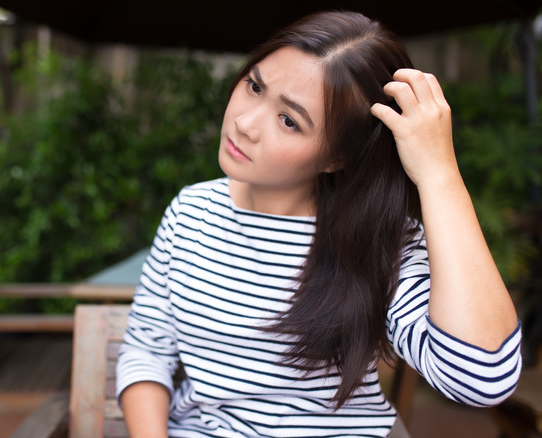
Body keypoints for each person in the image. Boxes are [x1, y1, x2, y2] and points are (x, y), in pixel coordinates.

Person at [115, 10, 522, 438]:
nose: (245, 123)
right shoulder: (190, 212)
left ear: (336, 158)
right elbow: (146, 352)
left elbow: (482, 378)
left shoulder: (379, 242)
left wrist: (439, 174)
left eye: (289, 120)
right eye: (254, 86)